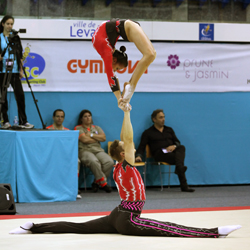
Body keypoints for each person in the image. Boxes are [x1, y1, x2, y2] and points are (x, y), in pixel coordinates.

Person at [9, 109, 241, 238]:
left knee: (79, 226)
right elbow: (127, 138)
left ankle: (33, 226)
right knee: (168, 227)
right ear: (122, 153)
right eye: (124, 148)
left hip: (118, 213)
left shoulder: (119, 167)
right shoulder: (125, 165)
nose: (128, 148)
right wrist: (126, 112)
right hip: (129, 219)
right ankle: (215, 232)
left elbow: (124, 142)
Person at [92, 18, 156, 110]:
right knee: (151, 55)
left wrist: (119, 99)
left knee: (150, 54)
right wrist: (121, 98)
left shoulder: (106, 52)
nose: (115, 70)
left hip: (128, 26)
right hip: (126, 28)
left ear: (114, 60)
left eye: (117, 68)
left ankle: (130, 86)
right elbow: (113, 76)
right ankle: (129, 86)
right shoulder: (106, 50)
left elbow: (111, 76)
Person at [135, 109, 194, 192]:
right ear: (154, 119)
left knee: (181, 148)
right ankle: (184, 185)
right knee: (179, 161)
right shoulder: (148, 132)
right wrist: (138, 156)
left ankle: (180, 169)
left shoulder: (169, 130)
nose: (163, 119)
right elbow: (141, 146)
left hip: (172, 153)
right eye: (160, 117)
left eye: (164, 117)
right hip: (159, 154)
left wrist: (174, 146)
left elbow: (177, 142)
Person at [0, 15, 34, 129]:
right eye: (8, 23)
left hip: (14, 71)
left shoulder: (15, 37)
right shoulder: (0, 37)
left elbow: (19, 55)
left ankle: (23, 121)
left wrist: (20, 69)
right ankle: (4, 120)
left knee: (20, 95)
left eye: (11, 24)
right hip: (2, 71)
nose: (10, 26)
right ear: (3, 24)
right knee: (3, 97)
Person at [74, 109, 113, 193]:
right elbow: (84, 140)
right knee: (94, 161)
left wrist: (91, 135)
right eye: (85, 116)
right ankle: (103, 183)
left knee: (109, 162)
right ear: (81, 119)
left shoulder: (97, 128)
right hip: (84, 151)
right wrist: (96, 138)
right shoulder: (78, 128)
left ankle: (96, 182)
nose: (88, 118)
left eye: (89, 116)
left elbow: (103, 138)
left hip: (98, 150)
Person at [46, 109, 81, 199]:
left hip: (64, 157)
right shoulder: (47, 130)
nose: (59, 118)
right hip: (52, 157)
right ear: (53, 117)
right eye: (57, 116)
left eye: (62, 117)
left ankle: (73, 189)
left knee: (76, 161)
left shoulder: (67, 131)